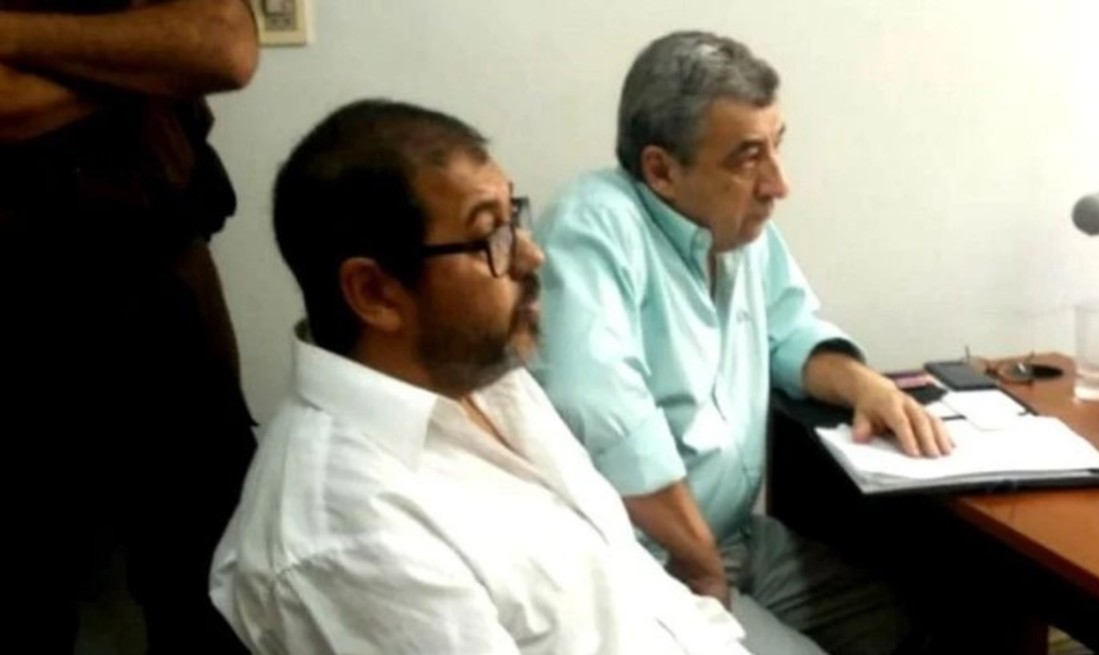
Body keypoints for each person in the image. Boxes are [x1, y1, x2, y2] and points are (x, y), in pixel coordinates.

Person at [209, 99, 751, 654]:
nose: (531, 255)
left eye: (513, 219)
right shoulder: (352, 537)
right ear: (376, 293)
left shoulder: (481, 377)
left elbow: (626, 586)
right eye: (489, 233)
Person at [529, 31, 954, 655]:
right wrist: (700, 562)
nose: (778, 184)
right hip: (647, 561)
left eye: (777, 146)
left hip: (734, 539)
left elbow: (792, 331)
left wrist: (868, 388)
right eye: (748, 158)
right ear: (661, 170)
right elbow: (606, 416)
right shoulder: (593, 223)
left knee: (931, 615)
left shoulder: (736, 230)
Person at [0, 1, 258, 652]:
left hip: (164, 293)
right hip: (12, 321)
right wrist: (144, 71)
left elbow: (221, 47)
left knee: (212, 591)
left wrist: (12, 35)